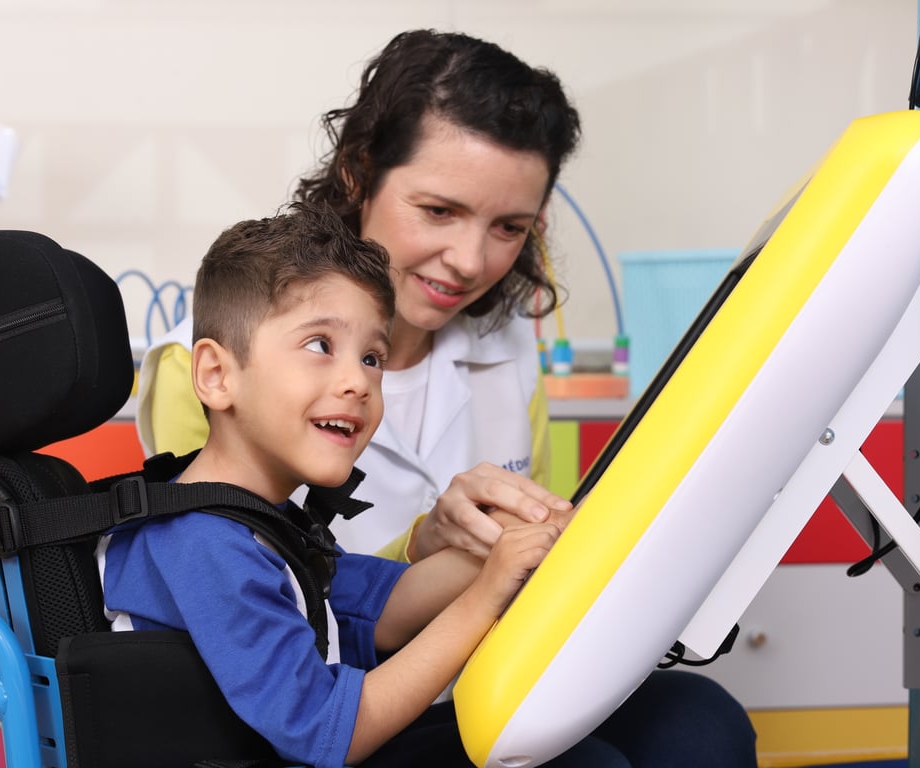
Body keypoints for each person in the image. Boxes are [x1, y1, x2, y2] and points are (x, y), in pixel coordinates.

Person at [136, 30, 758, 765]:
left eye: (508, 228)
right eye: (438, 211)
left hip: (483, 681)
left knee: (700, 722)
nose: (470, 262)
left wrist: (551, 546)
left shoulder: (510, 348)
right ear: (358, 173)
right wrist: (437, 548)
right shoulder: (205, 369)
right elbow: (296, 615)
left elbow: (361, 586)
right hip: (331, 715)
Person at [100, 203, 718, 768]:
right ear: (215, 374)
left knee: (688, 717)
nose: (359, 382)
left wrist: (520, 541)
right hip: (313, 748)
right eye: (321, 345)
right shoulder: (203, 544)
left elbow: (384, 613)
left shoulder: (262, 523)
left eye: (372, 357)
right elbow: (323, 730)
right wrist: (486, 595)